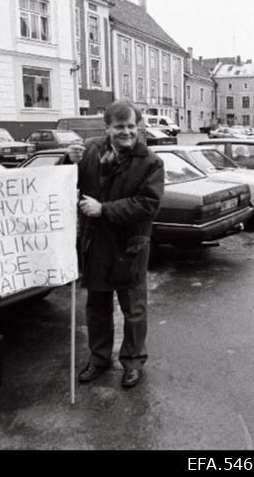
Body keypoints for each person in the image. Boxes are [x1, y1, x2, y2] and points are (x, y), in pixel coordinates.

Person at [67, 100, 165, 389]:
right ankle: (99, 359)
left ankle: (133, 362)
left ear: (139, 127)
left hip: (129, 247)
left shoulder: (150, 162)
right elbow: (66, 182)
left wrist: (105, 209)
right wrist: (67, 160)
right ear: (107, 128)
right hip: (95, 244)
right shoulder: (90, 151)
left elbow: (148, 205)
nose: (127, 132)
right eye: (120, 127)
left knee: (133, 309)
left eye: (131, 126)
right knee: (96, 307)